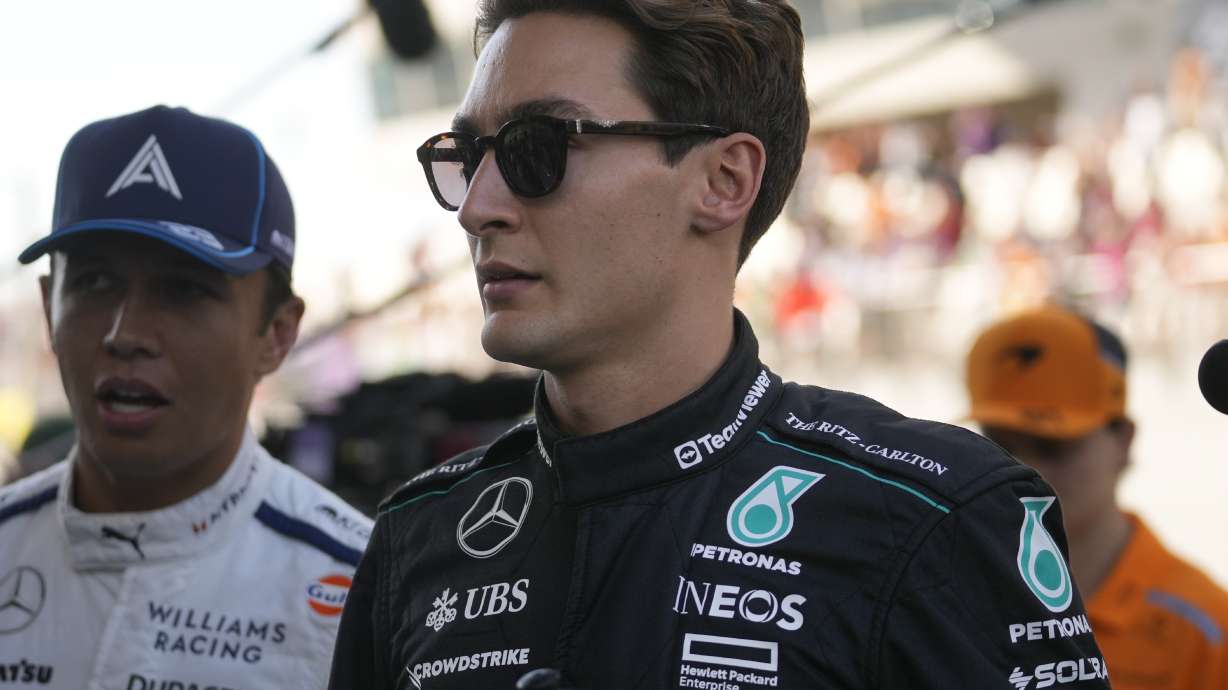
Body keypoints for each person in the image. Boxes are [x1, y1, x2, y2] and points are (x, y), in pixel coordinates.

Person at [329, 2, 1109, 688]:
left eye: (538, 148)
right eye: (467, 157)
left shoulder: (935, 516)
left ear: (725, 180)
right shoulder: (417, 534)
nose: (477, 208)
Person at [0, 105, 372, 689]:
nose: (125, 334)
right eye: (95, 282)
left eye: (183, 291)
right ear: (48, 308)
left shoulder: (365, 589)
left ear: (277, 335)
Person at [967, 304, 1228, 689]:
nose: (1023, 471)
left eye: (1053, 445)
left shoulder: (1205, 629)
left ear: (1123, 442)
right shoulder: (944, 601)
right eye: (999, 446)